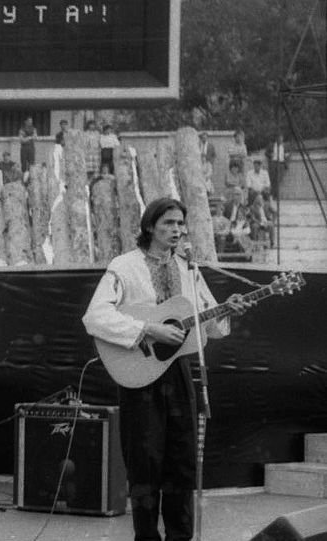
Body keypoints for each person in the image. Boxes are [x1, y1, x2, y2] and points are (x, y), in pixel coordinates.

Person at [82, 197, 248, 541]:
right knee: (145, 461)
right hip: (140, 376)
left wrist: (227, 310)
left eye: (180, 224)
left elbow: (210, 325)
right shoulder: (125, 266)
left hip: (179, 373)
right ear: (149, 227)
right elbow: (95, 316)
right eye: (168, 223)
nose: (177, 230)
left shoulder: (189, 268)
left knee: (181, 458)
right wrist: (147, 329)